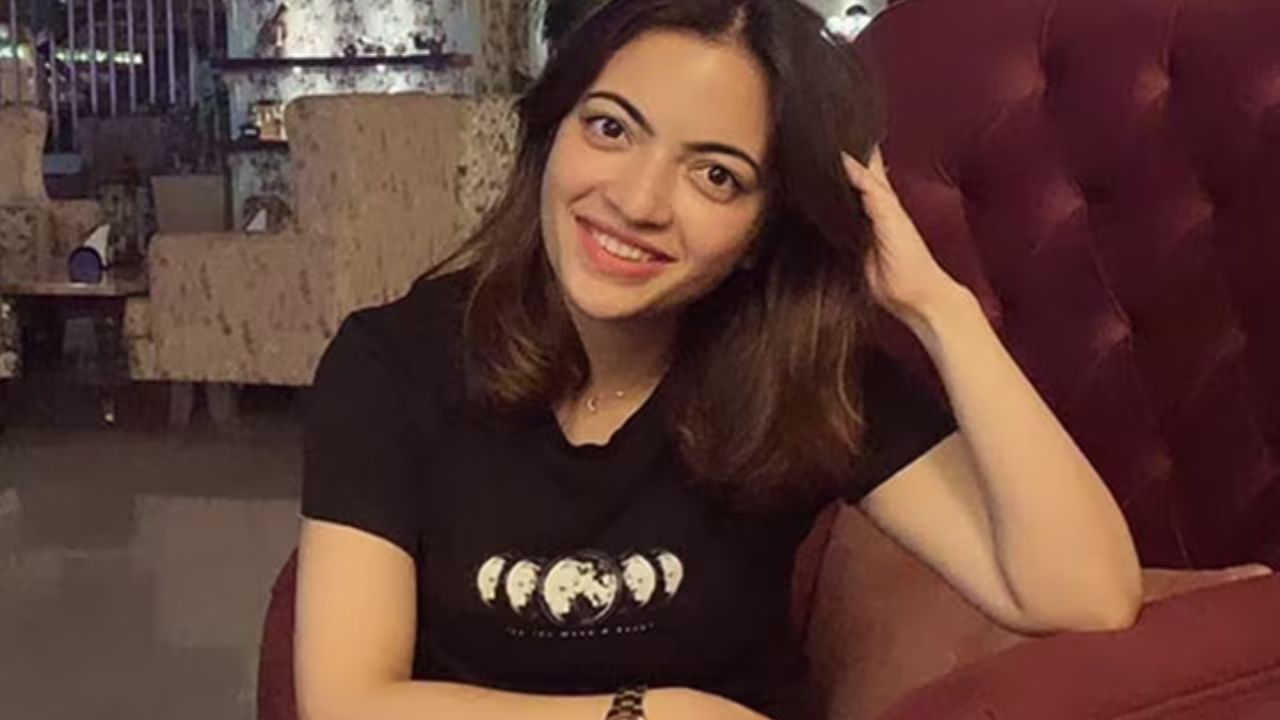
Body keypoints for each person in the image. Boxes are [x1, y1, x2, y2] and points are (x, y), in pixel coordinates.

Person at [295, 1, 1148, 719]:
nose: (637, 202)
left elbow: (1085, 595)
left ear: (763, 231)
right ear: (551, 132)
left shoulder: (796, 374)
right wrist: (648, 715)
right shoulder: (393, 362)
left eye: (716, 176)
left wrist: (937, 307)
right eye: (610, 128)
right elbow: (345, 700)